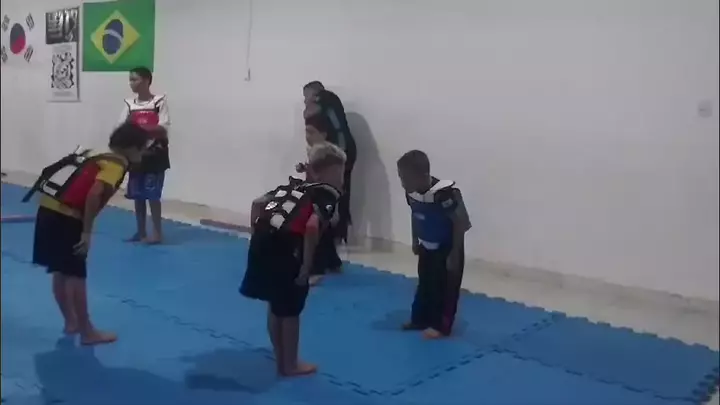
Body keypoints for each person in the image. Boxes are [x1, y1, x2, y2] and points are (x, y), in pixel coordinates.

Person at [32, 123, 148, 345]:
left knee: (60, 270)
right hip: (67, 217)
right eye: (143, 149)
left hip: (47, 209)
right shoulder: (117, 164)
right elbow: (95, 193)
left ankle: (71, 322)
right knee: (76, 274)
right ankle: (87, 332)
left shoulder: (96, 154)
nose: (143, 154)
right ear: (132, 147)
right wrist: (86, 232)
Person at [240, 142, 346, 377]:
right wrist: (306, 267)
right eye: (339, 174)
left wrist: (255, 237)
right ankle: (290, 365)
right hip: (288, 249)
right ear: (323, 172)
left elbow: (257, 204)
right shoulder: (326, 193)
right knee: (290, 310)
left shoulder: (293, 186)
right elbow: (312, 227)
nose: (341, 180)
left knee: (275, 303)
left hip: (263, 241)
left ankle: (281, 356)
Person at [396, 150, 472, 339]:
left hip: (448, 247)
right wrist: (415, 239)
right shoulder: (411, 193)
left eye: (406, 178)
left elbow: (461, 223)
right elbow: (415, 214)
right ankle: (420, 319)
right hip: (427, 244)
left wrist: (454, 253)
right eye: (401, 178)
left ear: (422, 176)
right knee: (425, 283)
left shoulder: (444, 194)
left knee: (446, 288)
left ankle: (441, 326)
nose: (403, 183)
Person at [119, 66, 171, 245]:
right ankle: (140, 232)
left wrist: (137, 129)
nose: (131, 83)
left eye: (135, 79)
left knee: (153, 195)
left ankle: (157, 233)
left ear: (147, 80)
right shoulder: (129, 104)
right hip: (136, 157)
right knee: (138, 195)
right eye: (130, 80)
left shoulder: (159, 102)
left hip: (155, 156)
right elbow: (121, 127)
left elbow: (162, 128)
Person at [302, 81, 357, 244]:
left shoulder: (322, 101)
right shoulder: (332, 102)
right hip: (343, 149)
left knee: (330, 191)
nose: (304, 101)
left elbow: (334, 132)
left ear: (314, 94)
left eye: (305, 97)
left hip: (339, 151)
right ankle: (339, 231)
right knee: (340, 190)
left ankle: (332, 231)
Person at [296, 114, 343, 285]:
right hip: (320, 193)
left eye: (311, 132)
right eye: (306, 132)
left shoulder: (328, 152)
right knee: (325, 232)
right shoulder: (317, 151)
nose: (308, 136)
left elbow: (323, 178)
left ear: (323, 134)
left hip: (326, 195)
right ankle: (333, 262)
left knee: (315, 228)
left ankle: (315, 268)